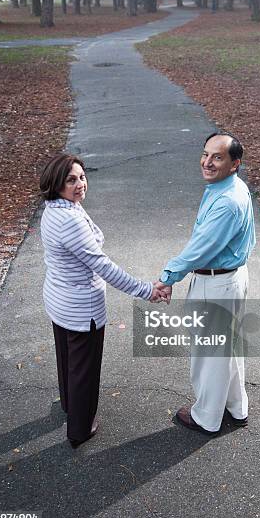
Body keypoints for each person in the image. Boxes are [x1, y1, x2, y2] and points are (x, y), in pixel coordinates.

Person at [40, 154, 168, 448]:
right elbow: (104, 267)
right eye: (71, 180)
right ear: (56, 183)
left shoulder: (54, 208)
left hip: (60, 300)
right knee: (84, 368)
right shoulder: (69, 220)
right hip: (80, 306)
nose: (80, 184)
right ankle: (80, 429)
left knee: (67, 358)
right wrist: (146, 290)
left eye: (82, 177)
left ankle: (70, 405)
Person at [156, 132, 256, 435]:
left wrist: (167, 277)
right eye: (205, 154)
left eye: (217, 157)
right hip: (231, 278)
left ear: (234, 163)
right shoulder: (229, 186)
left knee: (209, 354)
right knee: (227, 348)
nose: (207, 162)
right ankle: (236, 409)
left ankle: (206, 418)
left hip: (216, 284)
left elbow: (200, 247)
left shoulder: (227, 201)